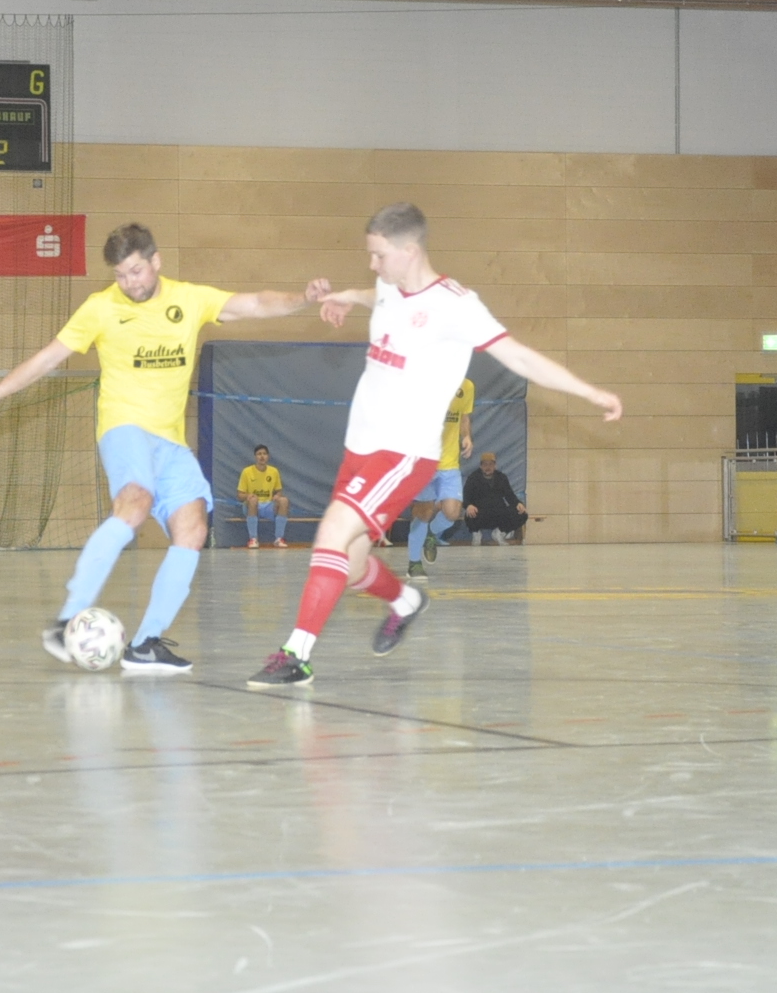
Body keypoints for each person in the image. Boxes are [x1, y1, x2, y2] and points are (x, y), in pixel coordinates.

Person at [248, 203, 619, 688]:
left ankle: (296, 655)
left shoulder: (456, 306)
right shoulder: (389, 285)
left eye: (379, 255)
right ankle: (405, 600)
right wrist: (346, 297)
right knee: (351, 563)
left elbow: (520, 357)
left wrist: (589, 392)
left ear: (409, 250)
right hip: (358, 449)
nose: (372, 264)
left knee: (331, 535)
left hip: (402, 454)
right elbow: (376, 295)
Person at [0, 223, 330, 674]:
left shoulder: (189, 299)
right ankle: (64, 621)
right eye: (120, 275)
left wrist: (303, 298)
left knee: (192, 529)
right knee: (135, 503)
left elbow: (254, 304)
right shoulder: (100, 308)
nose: (129, 283)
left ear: (156, 262)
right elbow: (46, 359)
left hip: (169, 439)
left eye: (136, 271)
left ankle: (146, 643)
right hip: (124, 426)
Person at [406, 376, 474, 578]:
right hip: (423, 462)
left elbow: (464, 417)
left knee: (452, 512)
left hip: (449, 464)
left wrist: (466, 436)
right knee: (424, 512)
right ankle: (414, 563)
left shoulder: (466, 386)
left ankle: (431, 534)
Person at [462, 452, 528, 542]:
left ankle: (499, 532)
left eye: (491, 464)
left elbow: (510, 496)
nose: (488, 467)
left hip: (499, 513)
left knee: (522, 514)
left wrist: (518, 503)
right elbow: (466, 497)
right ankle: (476, 534)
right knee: (469, 513)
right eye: (485, 464)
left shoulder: (502, 478)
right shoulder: (473, 478)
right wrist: (469, 505)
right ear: (481, 466)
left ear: (495, 466)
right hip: (480, 514)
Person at [237, 444, 290, 549]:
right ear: (255, 456)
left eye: (264, 454)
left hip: (268, 506)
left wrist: (277, 496)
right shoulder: (247, 472)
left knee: (284, 501)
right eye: (259, 454)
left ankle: (279, 538)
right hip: (252, 506)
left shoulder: (274, 471)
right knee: (253, 500)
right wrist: (248, 496)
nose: (262, 456)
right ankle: (253, 539)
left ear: (268, 456)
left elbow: (279, 491)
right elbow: (239, 495)